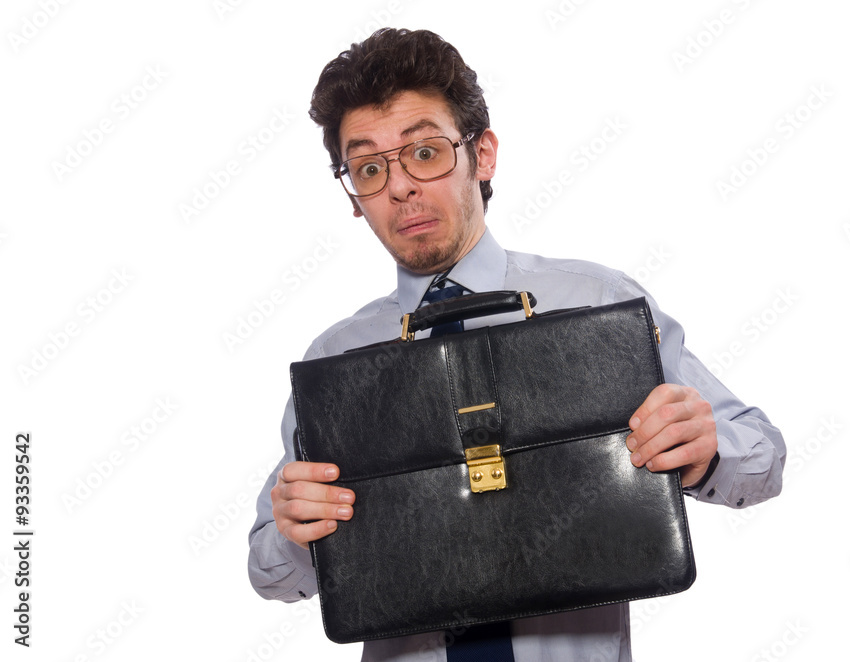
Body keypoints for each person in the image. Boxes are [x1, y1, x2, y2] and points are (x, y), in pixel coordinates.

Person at [248, 27, 785, 662]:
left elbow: (764, 456)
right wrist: (295, 532)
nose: (399, 188)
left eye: (425, 152)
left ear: (483, 155)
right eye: (368, 168)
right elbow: (268, 572)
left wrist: (706, 449)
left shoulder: (599, 304)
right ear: (355, 198)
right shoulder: (334, 363)